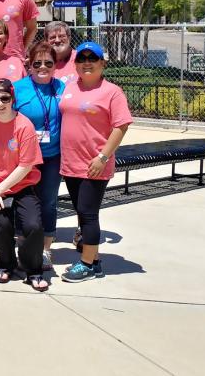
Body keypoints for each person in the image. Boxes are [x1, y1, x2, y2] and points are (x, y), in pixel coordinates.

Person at [59, 42, 132, 283]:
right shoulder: (70, 87)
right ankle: (95, 260)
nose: (86, 62)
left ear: (103, 63)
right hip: (70, 162)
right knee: (82, 212)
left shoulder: (112, 91)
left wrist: (103, 157)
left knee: (89, 214)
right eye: (82, 58)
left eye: (93, 58)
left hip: (94, 163)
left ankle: (87, 264)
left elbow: (121, 125)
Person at [0, 79, 48, 292]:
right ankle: (5, 264)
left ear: (12, 99)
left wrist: (1, 188)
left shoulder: (24, 125)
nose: (0, 103)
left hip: (22, 185)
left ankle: (33, 269)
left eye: (4, 98)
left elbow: (26, 165)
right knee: (2, 227)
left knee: (33, 226)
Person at [13, 42, 66, 270]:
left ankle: (45, 250)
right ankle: (23, 247)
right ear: (29, 65)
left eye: (48, 63)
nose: (42, 67)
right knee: (22, 201)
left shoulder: (61, 87)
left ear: (55, 65)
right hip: (24, 158)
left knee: (49, 203)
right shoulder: (18, 88)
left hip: (52, 155)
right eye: (37, 63)